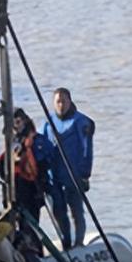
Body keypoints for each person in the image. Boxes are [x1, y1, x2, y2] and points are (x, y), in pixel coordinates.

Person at [42, 88, 95, 249]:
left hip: (73, 175)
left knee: (77, 211)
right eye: (58, 102)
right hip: (54, 177)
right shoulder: (47, 123)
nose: (61, 105)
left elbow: (87, 149)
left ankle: (79, 242)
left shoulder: (81, 122)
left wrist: (85, 174)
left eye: (64, 101)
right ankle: (66, 243)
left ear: (70, 101)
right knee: (59, 212)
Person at [0, 108, 54, 227]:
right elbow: (3, 167)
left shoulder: (37, 140)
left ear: (25, 121)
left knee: (32, 224)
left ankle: (35, 244)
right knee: (17, 224)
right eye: (12, 124)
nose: (15, 126)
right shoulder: (11, 142)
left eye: (18, 122)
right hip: (15, 189)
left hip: (32, 189)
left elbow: (46, 161)